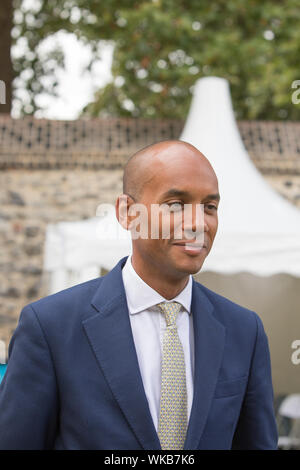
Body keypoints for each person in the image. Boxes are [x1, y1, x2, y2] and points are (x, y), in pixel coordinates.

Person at [0, 140, 278, 450]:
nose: (198, 223)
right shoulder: (50, 327)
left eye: (209, 207)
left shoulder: (244, 331)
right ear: (127, 212)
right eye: (176, 204)